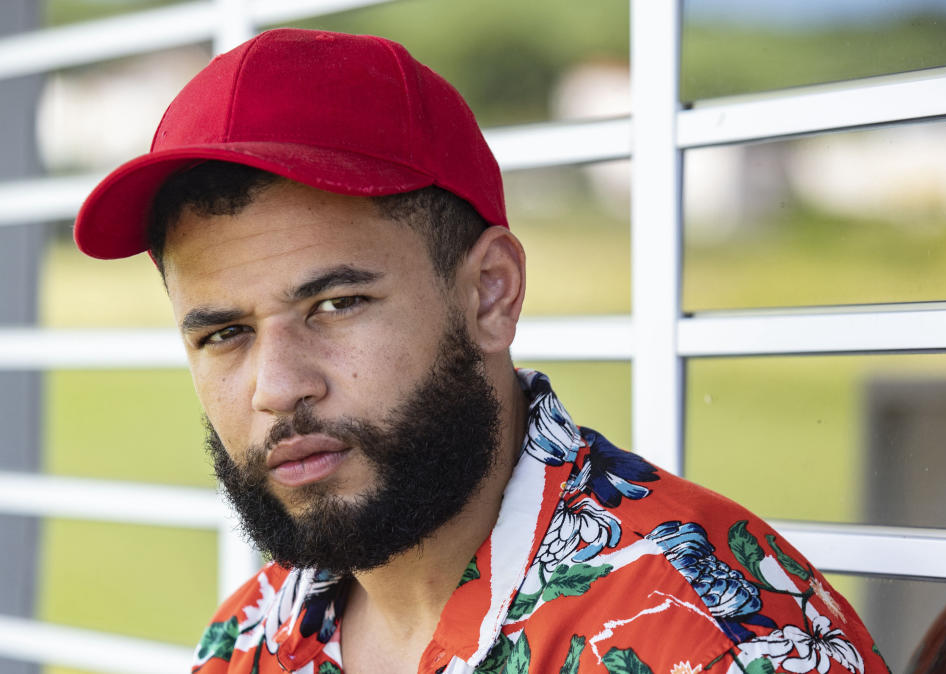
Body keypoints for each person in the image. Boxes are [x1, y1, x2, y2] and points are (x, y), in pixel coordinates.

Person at [74, 28, 888, 674]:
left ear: (490, 294)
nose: (276, 388)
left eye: (336, 304)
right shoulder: (250, 638)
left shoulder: (708, 640)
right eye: (224, 334)